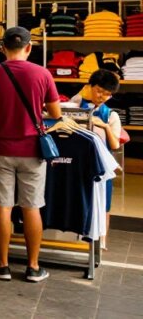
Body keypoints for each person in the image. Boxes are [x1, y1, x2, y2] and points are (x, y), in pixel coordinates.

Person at [0, 26, 61, 283]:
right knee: (31, 207)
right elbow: (56, 113)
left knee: (2, 206)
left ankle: (2, 265)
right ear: (29, 47)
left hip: (0, 149)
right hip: (33, 150)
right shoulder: (42, 74)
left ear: (2, 48)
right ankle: (33, 267)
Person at [69, 68, 121, 248]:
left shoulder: (111, 115)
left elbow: (115, 145)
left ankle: (102, 240)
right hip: (78, 161)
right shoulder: (77, 104)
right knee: (81, 198)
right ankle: (77, 235)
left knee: (104, 202)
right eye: (99, 91)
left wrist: (105, 127)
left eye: (107, 94)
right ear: (90, 87)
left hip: (101, 165)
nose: (102, 97)